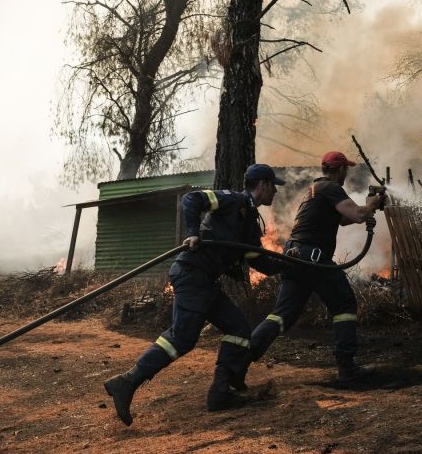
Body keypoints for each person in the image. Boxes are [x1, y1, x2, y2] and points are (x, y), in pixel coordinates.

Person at [103, 164, 288, 427]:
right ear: (263, 185)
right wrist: (192, 233)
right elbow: (192, 199)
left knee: (238, 328)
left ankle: (220, 394)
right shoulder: (231, 200)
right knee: (182, 338)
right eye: (274, 186)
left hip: (206, 283)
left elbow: (259, 261)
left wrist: (288, 264)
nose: (276, 192)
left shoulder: (249, 223)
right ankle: (127, 382)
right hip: (191, 274)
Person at [244, 151, 383, 384]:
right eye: (345, 170)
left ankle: (241, 358)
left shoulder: (315, 190)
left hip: (296, 256)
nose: (346, 174)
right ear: (340, 170)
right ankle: (347, 368)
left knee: (282, 316)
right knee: (344, 304)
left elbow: (343, 218)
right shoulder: (331, 188)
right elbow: (357, 214)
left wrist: (367, 211)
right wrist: (370, 205)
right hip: (313, 258)